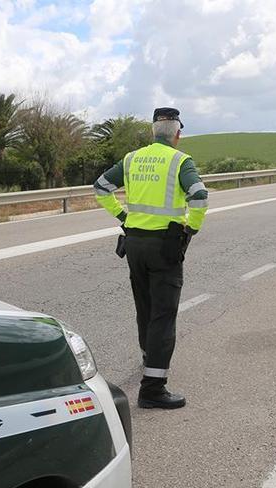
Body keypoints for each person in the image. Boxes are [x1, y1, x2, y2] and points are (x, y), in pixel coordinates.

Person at [93, 107, 208, 409]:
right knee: (164, 314)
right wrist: (191, 228)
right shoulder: (180, 161)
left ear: (152, 132)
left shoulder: (132, 159)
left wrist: (123, 217)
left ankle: (149, 356)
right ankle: (153, 389)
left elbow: (101, 187)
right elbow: (199, 196)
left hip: (134, 244)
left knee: (144, 305)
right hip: (164, 245)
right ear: (178, 134)